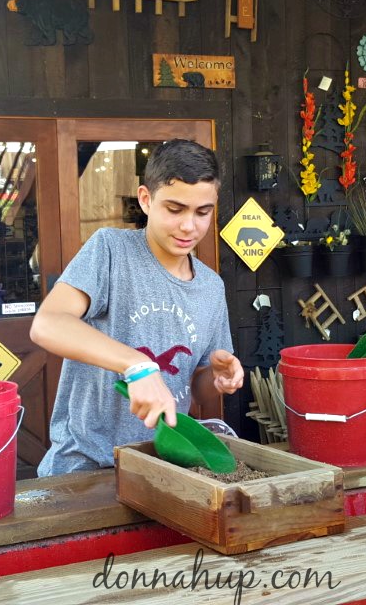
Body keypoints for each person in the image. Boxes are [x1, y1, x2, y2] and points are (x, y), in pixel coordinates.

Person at [32, 139, 244, 476]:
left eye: (202, 212)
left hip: (165, 462)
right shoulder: (111, 251)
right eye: (175, 209)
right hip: (87, 464)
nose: (189, 226)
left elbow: (198, 390)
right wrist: (137, 365)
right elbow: (47, 324)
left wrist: (216, 378)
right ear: (146, 199)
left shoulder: (211, 288)